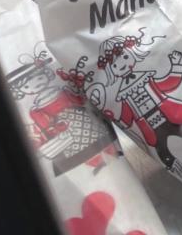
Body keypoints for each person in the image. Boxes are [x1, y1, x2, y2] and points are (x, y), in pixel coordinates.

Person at [97, 31, 182, 181]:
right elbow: (126, 118)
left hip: (169, 116)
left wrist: (175, 65)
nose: (121, 64)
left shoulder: (146, 78)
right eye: (115, 64)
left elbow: (168, 83)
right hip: (149, 127)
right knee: (164, 154)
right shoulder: (122, 94)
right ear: (110, 71)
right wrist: (108, 111)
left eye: (125, 57)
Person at [7, 47, 117, 176]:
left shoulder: (62, 91)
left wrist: (80, 98)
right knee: (78, 148)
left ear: (45, 75)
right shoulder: (36, 109)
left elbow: (77, 100)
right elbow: (44, 123)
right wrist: (55, 126)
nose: (35, 85)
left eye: (39, 78)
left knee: (97, 136)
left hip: (81, 117)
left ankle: (111, 153)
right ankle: (96, 163)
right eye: (26, 86)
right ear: (22, 91)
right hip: (65, 125)